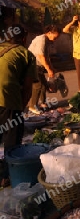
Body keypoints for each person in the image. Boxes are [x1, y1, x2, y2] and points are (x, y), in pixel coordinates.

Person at [0, 24, 37, 158]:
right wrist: (18, 111)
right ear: (24, 38)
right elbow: (27, 88)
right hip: (7, 98)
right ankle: (8, 175)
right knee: (13, 138)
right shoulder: (26, 54)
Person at [28, 24, 61, 113]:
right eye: (55, 36)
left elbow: (47, 57)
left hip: (39, 65)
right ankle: (32, 106)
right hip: (33, 65)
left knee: (44, 84)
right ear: (50, 33)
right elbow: (41, 56)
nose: (56, 39)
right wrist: (48, 69)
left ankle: (42, 103)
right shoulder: (41, 39)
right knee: (38, 85)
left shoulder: (47, 41)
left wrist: (52, 68)